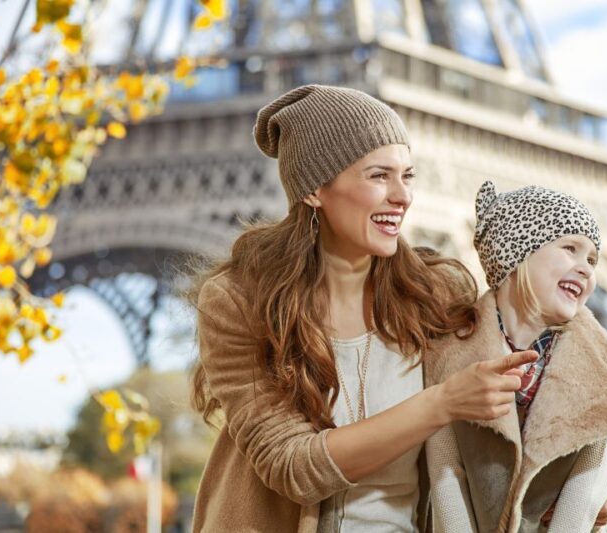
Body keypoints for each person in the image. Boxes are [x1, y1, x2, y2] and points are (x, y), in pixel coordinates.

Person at [188, 85, 538, 532]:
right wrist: (442, 403)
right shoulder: (239, 300)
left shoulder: (436, 297)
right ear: (315, 188)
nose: (402, 196)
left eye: (407, 176)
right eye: (378, 176)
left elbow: (527, 406)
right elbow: (293, 467)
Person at [424, 181, 607, 532]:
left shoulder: (605, 372)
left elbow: (582, 503)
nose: (586, 268)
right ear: (516, 254)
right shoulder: (447, 356)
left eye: (592, 259)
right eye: (570, 248)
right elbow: (445, 477)